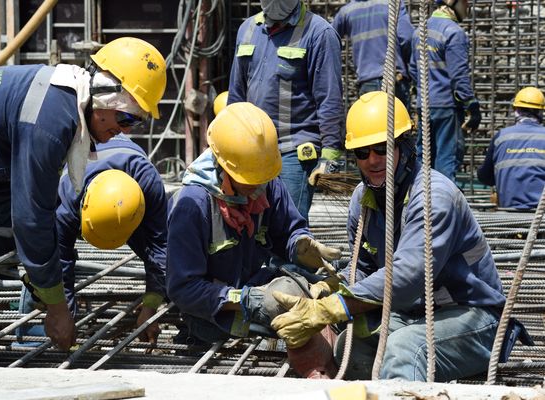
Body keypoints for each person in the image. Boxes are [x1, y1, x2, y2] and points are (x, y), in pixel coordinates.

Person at [0, 36, 166, 366]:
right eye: (127, 119)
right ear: (104, 94)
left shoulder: (65, 104)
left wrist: (41, 284)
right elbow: (33, 217)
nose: (125, 131)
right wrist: (57, 306)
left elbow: (26, 203)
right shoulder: (51, 123)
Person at [271, 91, 506, 382]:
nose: (372, 160)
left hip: (473, 316)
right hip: (415, 312)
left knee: (405, 350)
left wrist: (335, 307)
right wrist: (332, 286)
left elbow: (408, 277)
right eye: (362, 152)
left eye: (382, 148)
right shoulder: (363, 200)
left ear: (405, 147)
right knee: (349, 346)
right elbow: (366, 268)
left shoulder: (434, 197)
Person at [166, 102, 342, 377]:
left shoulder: (262, 180)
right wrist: (245, 300)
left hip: (253, 284)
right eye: (249, 181)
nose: (257, 188)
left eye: (263, 178)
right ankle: (316, 373)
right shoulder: (192, 205)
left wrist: (300, 244)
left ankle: (329, 367)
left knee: (311, 293)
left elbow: (289, 230)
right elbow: (182, 288)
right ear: (223, 166)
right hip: (211, 316)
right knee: (291, 305)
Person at [18, 134, 168, 346]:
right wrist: (63, 314)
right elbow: (61, 263)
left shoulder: (149, 184)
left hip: (133, 199)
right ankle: (33, 338)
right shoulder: (66, 201)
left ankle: (166, 297)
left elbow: (160, 248)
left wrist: (151, 307)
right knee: (44, 270)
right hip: (80, 188)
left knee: (166, 264)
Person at [227, 0, 345, 221]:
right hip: (251, 151)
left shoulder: (319, 33)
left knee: (287, 235)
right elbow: (236, 94)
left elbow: (329, 99)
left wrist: (330, 156)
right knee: (253, 235)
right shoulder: (248, 29)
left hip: (293, 154)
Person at [409, 0, 481, 183]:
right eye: (465, 2)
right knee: (446, 159)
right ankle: (443, 205)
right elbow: (459, 75)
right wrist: (471, 105)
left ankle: (419, 201)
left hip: (424, 104)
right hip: (447, 106)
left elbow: (413, 69)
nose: (468, 7)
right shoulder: (454, 33)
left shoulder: (419, 31)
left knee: (423, 159)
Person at [331, 0, 415, 108]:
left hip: (367, 82)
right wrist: (409, 64)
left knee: (372, 124)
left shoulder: (347, 11)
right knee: (397, 123)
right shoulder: (393, 4)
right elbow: (407, 38)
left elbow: (328, 38)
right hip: (395, 78)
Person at [478, 87, 545, 210]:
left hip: (508, 212)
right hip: (540, 215)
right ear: (541, 112)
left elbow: (484, 176)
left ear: (516, 110)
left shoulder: (501, 137)